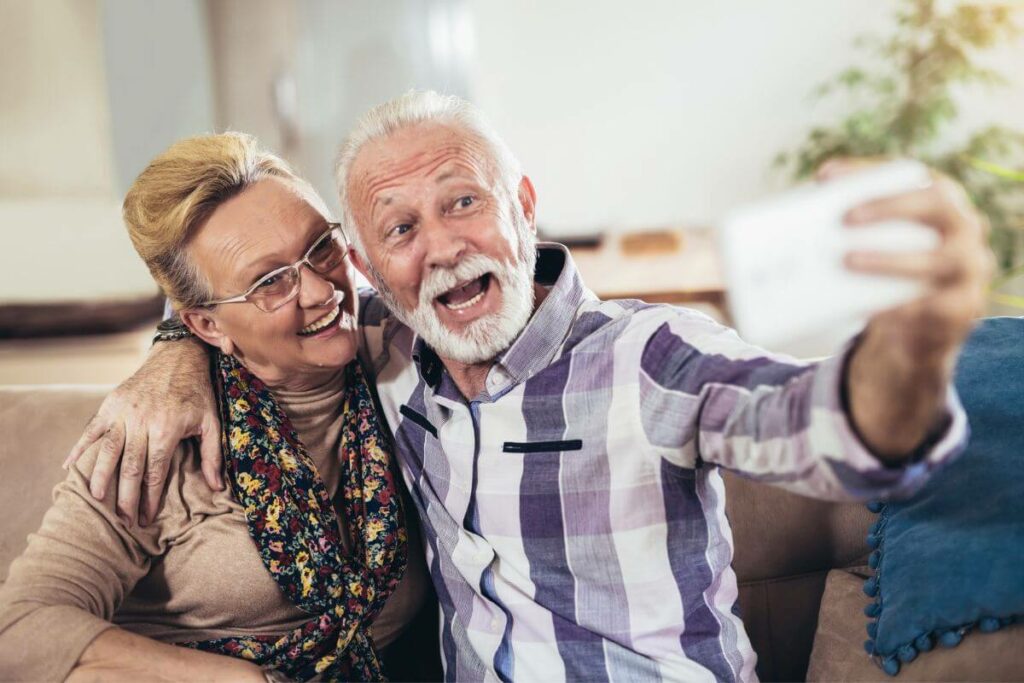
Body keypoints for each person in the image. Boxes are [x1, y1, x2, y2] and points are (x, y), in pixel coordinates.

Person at [69, 91, 992, 682]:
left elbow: (830, 429)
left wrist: (912, 348)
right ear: (369, 268)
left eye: (463, 200)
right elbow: (250, 302)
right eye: (400, 228)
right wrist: (174, 353)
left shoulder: (651, 355)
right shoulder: (385, 357)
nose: (441, 246)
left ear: (524, 203)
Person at [0, 133, 433, 682]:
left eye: (321, 246)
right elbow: (20, 627)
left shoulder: (397, 360)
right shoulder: (154, 434)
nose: (321, 291)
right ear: (205, 324)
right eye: (271, 282)